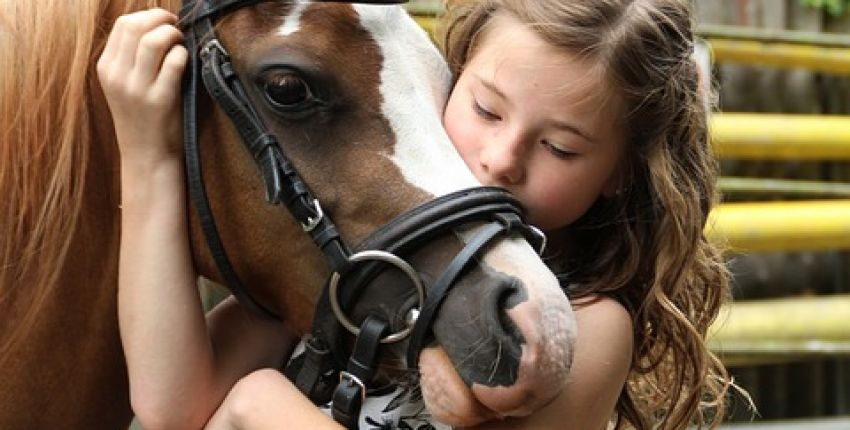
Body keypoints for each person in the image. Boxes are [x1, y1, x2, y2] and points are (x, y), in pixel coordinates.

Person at [97, 0, 733, 428]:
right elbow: (170, 406)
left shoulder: (594, 325)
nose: (501, 159)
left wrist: (258, 409)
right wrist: (148, 156)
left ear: (622, 173)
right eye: (484, 110)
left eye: (560, 147)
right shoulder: (362, 261)